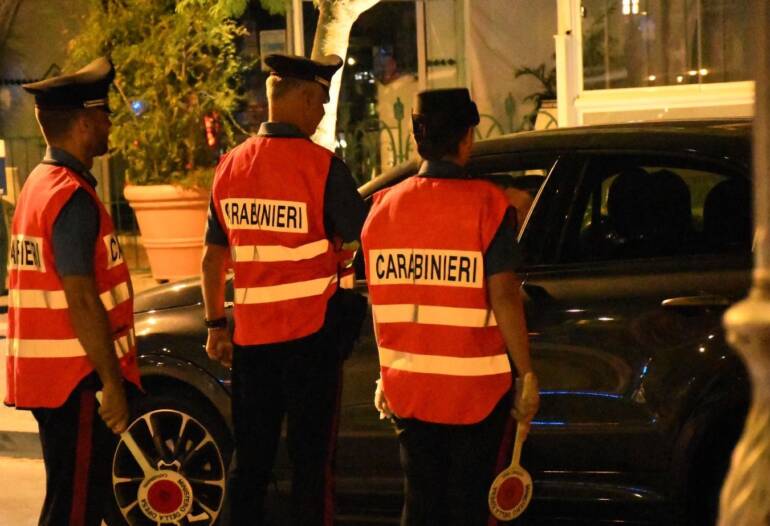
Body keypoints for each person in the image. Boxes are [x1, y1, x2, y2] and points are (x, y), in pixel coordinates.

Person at [361, 88, 540, 526]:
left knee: (420, 504)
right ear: (466, 139)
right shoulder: (488, 205)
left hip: (410, 390)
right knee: (467, 508)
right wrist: (528, 373)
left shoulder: (382, 208)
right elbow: (504, 296)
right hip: (475, 394)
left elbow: (383, 301)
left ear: (418, 137)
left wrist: (386, 372)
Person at [201, 53, 367, 525]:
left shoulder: (230, 167)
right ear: (305, 97)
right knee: (312, 466)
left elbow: (213, 257)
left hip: (251, 344)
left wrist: (216, 324)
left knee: (250, 463)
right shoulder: (322, 168)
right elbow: (367, 238)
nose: (321, 113)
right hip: (311, 342)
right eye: (320, 102)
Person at [5, 57, 141, 526]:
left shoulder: (38, 187)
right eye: (104, 118)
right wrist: (111, 384)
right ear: (84, 123)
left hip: (51, 382)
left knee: (75, 496)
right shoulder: (71, 196)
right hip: (75, 381)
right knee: (74, 510)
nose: (109, 127)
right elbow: (81, 297)